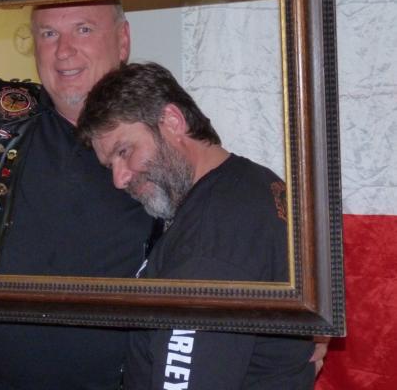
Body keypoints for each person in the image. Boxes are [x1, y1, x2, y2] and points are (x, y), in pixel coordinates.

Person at [0, 0, 324, 388]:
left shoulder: (161, 136)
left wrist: (301, 319)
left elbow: (241, 232)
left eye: (84, 29)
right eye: (48, 34)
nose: (64, 51)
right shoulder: (1, 117)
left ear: (123, 40)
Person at [77, 61, 316, 388]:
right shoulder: (254, 182)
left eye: (125, 151)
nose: (119, 179)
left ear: (173, 122)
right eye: (110, 165)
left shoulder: (207, 246)